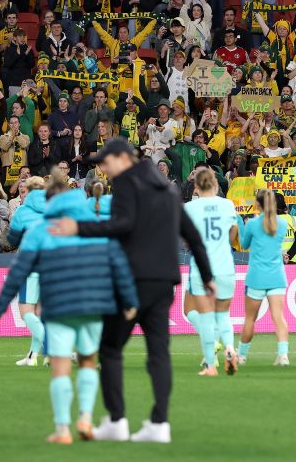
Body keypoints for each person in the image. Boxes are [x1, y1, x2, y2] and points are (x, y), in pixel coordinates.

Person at [49, 139, 213, 444]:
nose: (103, 169)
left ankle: (116, 420)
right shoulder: (167, 187)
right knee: (158, 353)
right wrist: (207, 274)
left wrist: (79, 228)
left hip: (132, 282)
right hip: (163, 282)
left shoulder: (126, 182)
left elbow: (122, 224)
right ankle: (160, 424)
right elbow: (189, 232)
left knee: (110, 349)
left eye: (106, 162)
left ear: (123, 159)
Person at [0, 171, 140, 444]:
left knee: (60, 366)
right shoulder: (90, 224)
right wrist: (130, 298)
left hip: (58, 304)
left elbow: (20, 268)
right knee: (86, 363)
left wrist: (0, 305)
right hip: (94, 303)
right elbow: (116, 260)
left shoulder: (39, 228)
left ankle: (62, 430)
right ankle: (85, 417)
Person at [182, 168, 242, 376]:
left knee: (206, 318)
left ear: (196, 187)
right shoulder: (227, 205)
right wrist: (223, 242)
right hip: (225, 265)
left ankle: (210, 365)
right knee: (224, 314)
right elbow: (234, 231)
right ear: (216, 185)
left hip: (202, 268)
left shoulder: (189, 208)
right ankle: (229, 349)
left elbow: (183, 237)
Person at [237, 189, 290, 367]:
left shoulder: (252, 224)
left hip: (257, 277)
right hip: (276, 276)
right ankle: (283, 355)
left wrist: (240, 222)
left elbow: (244, 244)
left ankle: (242, 356)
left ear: (258, 204)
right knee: (279, 317)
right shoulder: (281, 224)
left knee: (250, 319)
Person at [6, 175, 48, 367]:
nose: (21, 195)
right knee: (39, 315)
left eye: (23, 192)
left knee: (26, 312)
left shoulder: (23, 211)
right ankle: (32, 356)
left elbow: (11, 239)